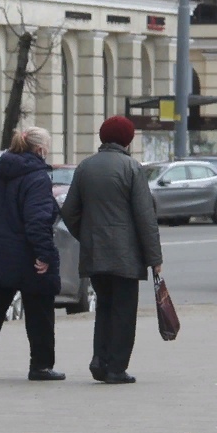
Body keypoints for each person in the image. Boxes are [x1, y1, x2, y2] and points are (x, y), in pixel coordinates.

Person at [60, 115, 163, 384]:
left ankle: (99, 360)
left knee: (104, 307)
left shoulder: (85, 167)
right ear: (127, 140)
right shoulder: (132, 168)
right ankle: (116, 368)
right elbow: (145, 216)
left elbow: (69, 211)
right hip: (125, 257)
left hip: (95, 253)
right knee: (124, 313)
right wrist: (155, 258)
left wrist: (87, 235)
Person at [0, 126, 65, 383]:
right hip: (26, 254)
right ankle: (40, 365)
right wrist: (44, 254)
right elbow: (37, 220)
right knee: (40, 310)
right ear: (40, 149)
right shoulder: (37, 176)